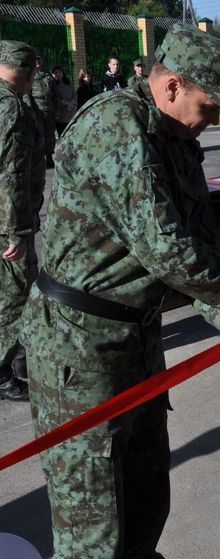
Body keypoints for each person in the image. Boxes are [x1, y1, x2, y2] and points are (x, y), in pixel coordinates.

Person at [21, 24, 220, 558]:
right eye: (210, 105)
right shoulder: (117, 125)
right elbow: (166, 249)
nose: (216, 120)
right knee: (94, 526)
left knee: (146, 499)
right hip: (79, 349)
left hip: (138, 341)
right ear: (171, 88)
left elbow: (194, 252)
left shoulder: (179, 141)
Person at [0, 41, 44, 402]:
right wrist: (16, 229)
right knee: (15, 296)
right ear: (26, 71)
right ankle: (3, 371)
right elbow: (11, 174)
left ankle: (18, 359)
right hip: (8, 223)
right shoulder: (11, 107)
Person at [31, 55, 55, 168]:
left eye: (39, 62)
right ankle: (39, 159)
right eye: (36, 62)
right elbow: (27, 94)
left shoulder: (48, 77)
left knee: (50, 135)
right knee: (39, 135)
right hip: (37, 109)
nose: (38, 64)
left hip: (49, 108)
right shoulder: (29, 77)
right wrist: (31, 109)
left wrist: (57, 108)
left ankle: (49, 157)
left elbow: (55, 94)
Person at [50, 64, 76, 136]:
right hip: (61, 115)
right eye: (56, 72)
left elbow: (74, 95)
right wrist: (67, 103)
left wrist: (72, 103)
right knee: (63, 135)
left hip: (71, 113)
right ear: (52, 74)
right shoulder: (52, 86)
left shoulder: (68, 83)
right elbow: (55, 98)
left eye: (60, 72)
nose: (58, 74)